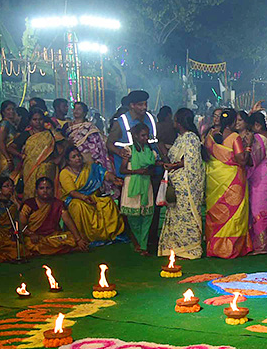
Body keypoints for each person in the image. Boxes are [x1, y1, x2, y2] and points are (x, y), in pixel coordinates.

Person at [202, 109, 250, 258]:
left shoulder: (209, 135)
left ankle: (214, 247)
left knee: (215, 211)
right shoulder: (234, 137)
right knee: (234, 213)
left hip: (214, 178)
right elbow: (241, 159)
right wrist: (248, 146)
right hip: (232, 179)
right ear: (233, 122)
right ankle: (230, 249)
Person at [160, 108, 205, 260]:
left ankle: (191, 249)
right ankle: (177, 248)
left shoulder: (191, 137)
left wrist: (172, 166)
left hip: (186, 185)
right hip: (177, 183)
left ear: (179, 122)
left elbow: (191, 161)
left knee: (187, 214)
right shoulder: (181, 137)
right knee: (176, 215)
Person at [58, 147, 121, 244]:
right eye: (73, 157)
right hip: (76, 199)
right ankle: (84, 237)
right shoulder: (64, 173)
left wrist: (114, 178)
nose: (78, 158)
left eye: (78, 155)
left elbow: (104, 173)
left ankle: (110, 235)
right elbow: (72, 192)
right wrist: (84, 197)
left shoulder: (90, 167)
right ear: (68, 161)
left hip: (92, 197)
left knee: (108, 202)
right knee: (78, 206)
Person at [120, 122, 160, 255]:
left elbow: (153, 170)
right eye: (142, 135)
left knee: (147, 215)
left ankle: (143, 245)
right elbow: (122, 170)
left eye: (146, 136)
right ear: (136, 136)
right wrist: (137, 171)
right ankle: (137, 242)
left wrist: (147, 172)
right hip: (132, 184)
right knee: (133, 217)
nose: (145, 138)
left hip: (146, 184)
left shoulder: (151, 152)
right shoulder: (128, 150)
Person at [20, 176, 87, 255]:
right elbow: (21, 225)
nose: (45, 191)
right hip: (35, 237)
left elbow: (68, 221)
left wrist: (78, 239)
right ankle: (66, 249)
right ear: (36, 190)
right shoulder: (29, 204)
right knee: (29, 244)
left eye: (48, 188)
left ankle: (52, 250)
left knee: (75, 237)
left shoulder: (57, 204)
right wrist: (31, 234)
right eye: (41, 188)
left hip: (53, 236)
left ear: (53, 190)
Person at [245, 111, 267, 254]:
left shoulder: (258, 138)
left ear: (257, 125)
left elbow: (252, 160)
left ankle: (261, 245)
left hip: (261, 178)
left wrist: (247, 146)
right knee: (266, 208)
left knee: (259, 209)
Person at [67, 102, 116, 189]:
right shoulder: (68, 127)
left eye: (79, 109)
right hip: (72, 162)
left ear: (85, 113)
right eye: (75, 109)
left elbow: (97, 145)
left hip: (87, 161)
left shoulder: (90, 128)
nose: (76, 111)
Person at [0, 100, 23, 187]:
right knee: (6, 181)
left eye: (13, 109)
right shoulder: (4, 124)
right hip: (6, 157)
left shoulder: (12, 124)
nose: (11, 111)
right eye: (8, 109)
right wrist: (8, 159)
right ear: (3, 112)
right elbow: (0, 141)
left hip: (12, 156)